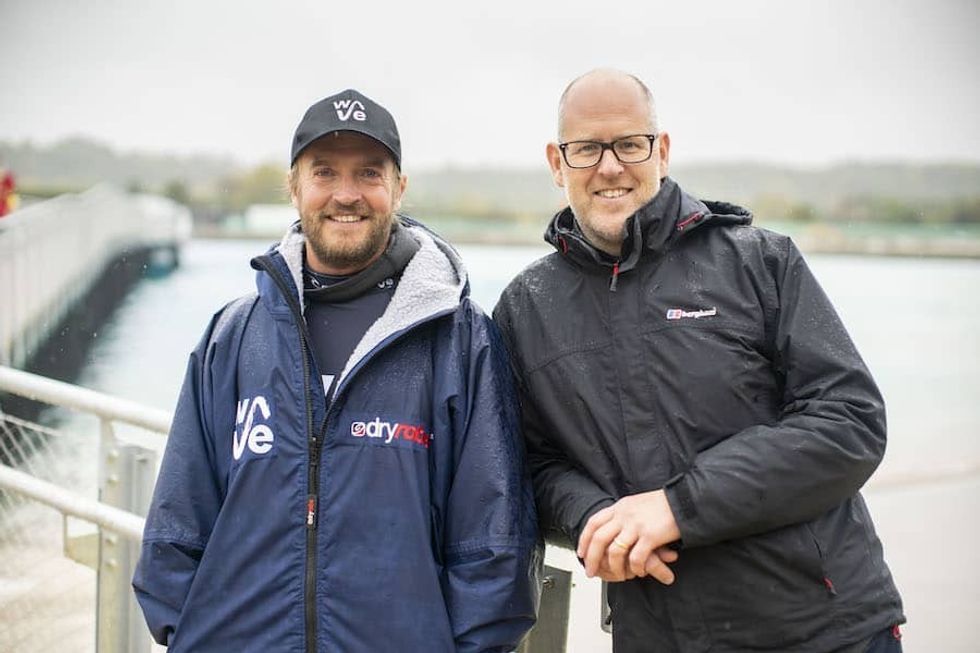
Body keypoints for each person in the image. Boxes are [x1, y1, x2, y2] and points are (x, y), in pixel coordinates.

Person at [493, 69, 904, 653]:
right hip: (660, 633)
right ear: (557, 164)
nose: (609, 167)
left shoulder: (759, 262)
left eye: (629, 144)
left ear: (660, 151)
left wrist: (677, 507)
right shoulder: (525, 309)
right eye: (585, 149)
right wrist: (591, 518)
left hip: (825, 627)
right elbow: (529, 464)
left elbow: (850, 423)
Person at [134, 89, 539, 652]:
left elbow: (491, 545)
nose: (346, 195)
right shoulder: (232, 338)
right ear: (294, 186)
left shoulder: (459, 341)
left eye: (369, 173)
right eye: (325, 172)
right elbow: (177, 525)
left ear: (399, 188)